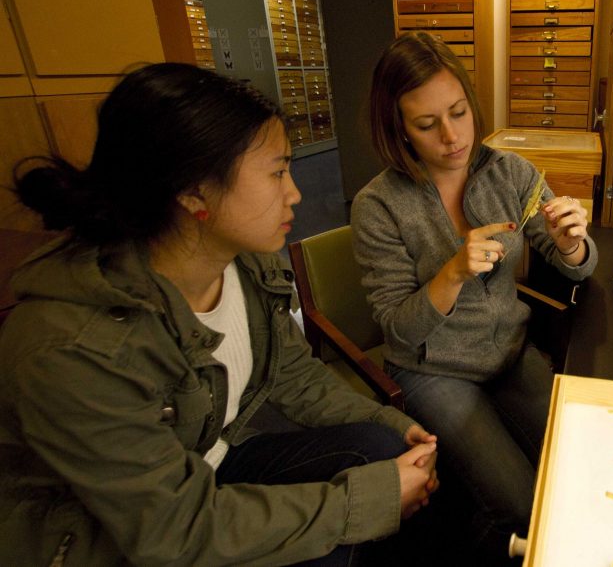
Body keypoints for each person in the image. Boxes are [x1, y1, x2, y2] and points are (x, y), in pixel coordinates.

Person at [0, 63, 440, 566]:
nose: (294, 192)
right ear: (192, 191)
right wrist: (366, 502)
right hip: (108, 535)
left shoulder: (244, 260)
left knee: (381, 446)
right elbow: (172, 529)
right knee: (337, 538)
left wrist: (387, 419)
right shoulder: (75, 347)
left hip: (210, 458)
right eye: (277, 172)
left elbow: (293, 376)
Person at [350, 32, 597, 560]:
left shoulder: (512, 172)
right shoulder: (378, 205)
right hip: (431, 368)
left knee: (582, 464)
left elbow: (570, 266)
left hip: (508, 351)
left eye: (459, 112)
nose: (452, 136)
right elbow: (397, 329)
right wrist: (450, 275)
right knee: (524, 504)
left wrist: (572, 244)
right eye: (426, 124)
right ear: (398, 129)